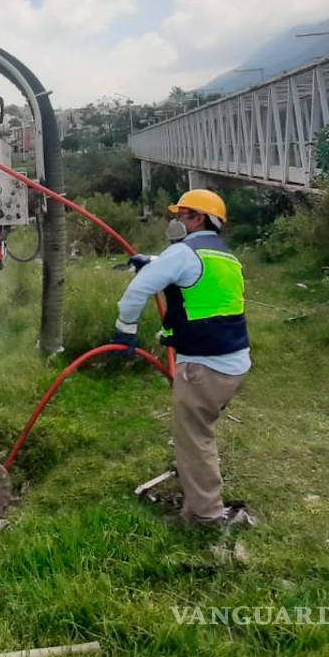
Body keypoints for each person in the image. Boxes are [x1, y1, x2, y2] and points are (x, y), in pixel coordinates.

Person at [112, 189, 255, 527]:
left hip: (205, 368)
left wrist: (125, 329)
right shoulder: (226, 257)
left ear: (199, 218)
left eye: (183, 215)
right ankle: (196, 488)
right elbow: (197, 282)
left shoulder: (182, 253)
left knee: (194, 438)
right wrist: (154, 262)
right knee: (197, 431)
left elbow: (136, 293)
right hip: (233, 364)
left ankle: (206, 516)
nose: (178, 221)